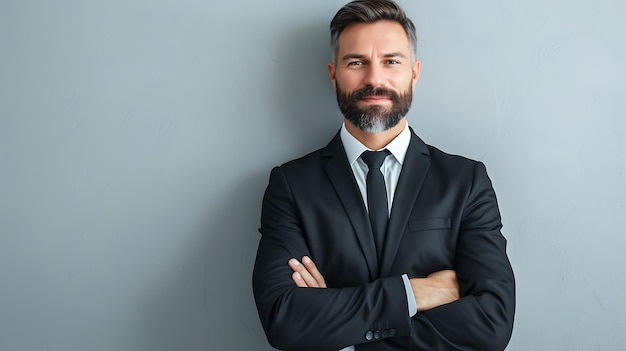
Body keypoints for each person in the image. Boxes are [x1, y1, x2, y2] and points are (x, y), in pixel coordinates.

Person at [252, 0, 515, 350]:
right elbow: (284, 318)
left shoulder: (465, 182)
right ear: (333, 74)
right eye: (356, 62)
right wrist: (413, 293)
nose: (374, 78)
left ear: (414, 73)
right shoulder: (291, 186)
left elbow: (492, 323)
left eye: (391, 61)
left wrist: (338, 329)